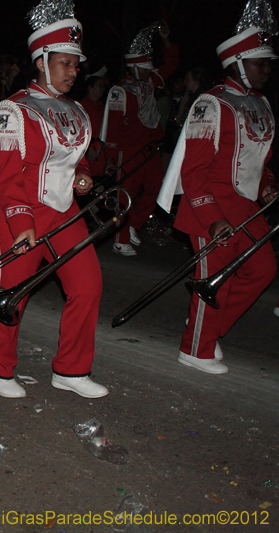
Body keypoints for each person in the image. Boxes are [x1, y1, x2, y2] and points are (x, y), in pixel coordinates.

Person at [0, 0, 108, 399]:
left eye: (76, 64)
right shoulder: (14, 110)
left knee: (88, 284)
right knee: (13, 294)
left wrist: (82, 178)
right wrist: (22, 226)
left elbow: (76, 163)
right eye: (65, 63)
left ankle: (71, 369)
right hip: (19, 211)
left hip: (63, 211)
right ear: (42, 61)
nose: (74, 71)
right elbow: (8, 178)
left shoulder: (77, 111)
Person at [157, 1, 277, 374]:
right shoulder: (211, 104)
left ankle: (208, 328)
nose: (268, 69)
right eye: (261, 62)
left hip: (246, 205)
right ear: (239, 63)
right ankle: (195, 349)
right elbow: (193, 172)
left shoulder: (260, 103)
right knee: (215, 280)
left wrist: (268, 185)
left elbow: (261, 160)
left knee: (263, 269)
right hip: (209, 207)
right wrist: (212, 219)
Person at [101, 22, 179, 256]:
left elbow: (171, 64)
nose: (148, 71)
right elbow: (112, 129)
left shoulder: (148, 83)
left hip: (149, 149)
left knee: (158, 187)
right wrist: (110, 158)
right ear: (134, 68)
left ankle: (133, 224)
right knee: (126, 195)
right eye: (144, 67)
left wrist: (165, 40)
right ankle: (120, 238)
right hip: (129, 151)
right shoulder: (120, 91)